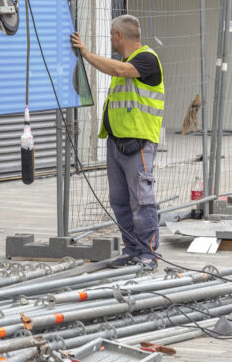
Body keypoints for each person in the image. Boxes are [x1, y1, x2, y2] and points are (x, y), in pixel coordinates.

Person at [71, 14, 164, 271]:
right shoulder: (126, 61)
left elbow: (119, 70)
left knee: (142, 201)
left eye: (112, 36)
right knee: (120, 202)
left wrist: (87, 55)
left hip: (138, 145)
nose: (111, 40)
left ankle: (148, 254)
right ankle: (132, 250)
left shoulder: (146, 59)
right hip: (117, 145)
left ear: (119, 35)